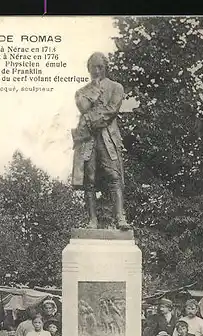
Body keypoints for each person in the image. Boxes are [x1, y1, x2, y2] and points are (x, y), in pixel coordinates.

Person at [71, 51, 131, 230]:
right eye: (92, 67)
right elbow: (83, 107)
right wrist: (95, 88)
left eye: (100, 67)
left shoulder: (116, 87)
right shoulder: (82, 92)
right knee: (89, 180)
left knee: (114, 176)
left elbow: (111, 111)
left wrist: (90, 120)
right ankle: (92, 220)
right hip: (88, 139)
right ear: (88, 69)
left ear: (106, 68)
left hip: (108, 138)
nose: (96, 71)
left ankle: (120, 218)